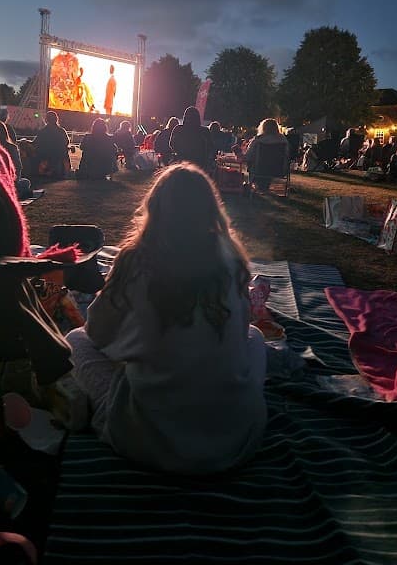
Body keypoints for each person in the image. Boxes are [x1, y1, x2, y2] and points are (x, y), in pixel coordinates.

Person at [65, 163, 268, 474]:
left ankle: (96, 410)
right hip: (235, 436)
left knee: (75, 341)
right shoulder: (231, 259)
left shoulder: (135, 260)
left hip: (148, 439)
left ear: (155, 208)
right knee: (255, 338)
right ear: (210, 210)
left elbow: (97, 334)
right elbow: (239, 333)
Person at [245, 118, 288, 190]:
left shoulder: (258, 140)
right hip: (278, 170)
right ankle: (263, 185)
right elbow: (287, 155)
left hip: (259, 169)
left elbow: (248, 156)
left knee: (251, 162)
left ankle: (254, 184)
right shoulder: (283, 140)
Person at [0, 119, 32, 199]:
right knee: (26, 182)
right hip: (9, 181)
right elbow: (18, 167)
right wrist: (15, 181)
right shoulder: (12, 147)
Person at [169, 106, 213, 171]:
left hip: (181, 162)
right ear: (198, 117)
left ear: (185, 117)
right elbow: (210, 147)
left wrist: (180, 152)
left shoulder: (178, 129)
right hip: (200, 164)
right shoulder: (204, 131)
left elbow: (171, 144)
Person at [33, 111, 71, 179]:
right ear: (56, 119)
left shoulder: (43, 131)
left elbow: (36, 143)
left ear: (46, 120)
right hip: (59, 156)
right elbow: (67, 142)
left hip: (45, 155)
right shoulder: (61, 131)